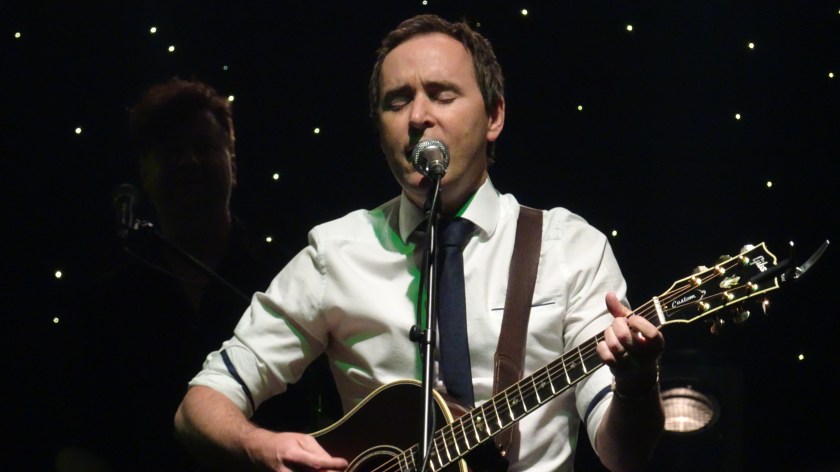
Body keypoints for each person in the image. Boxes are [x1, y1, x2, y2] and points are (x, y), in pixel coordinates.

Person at [174, 15, 664, 472]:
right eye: (396, 101)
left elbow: (624, 456)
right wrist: (259, 446)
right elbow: (199, 404)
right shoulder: (337, 252)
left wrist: (637, 385)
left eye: (442, 95)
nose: (417, 117)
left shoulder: (569, 249)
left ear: (494, 116)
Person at [55, 78, 338, 472]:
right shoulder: (106, 298)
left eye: (203, 147)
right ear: (144, 171)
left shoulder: (289, 274)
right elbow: (79, 443)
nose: (188, 161)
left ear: (232, 165)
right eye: (171, 151)